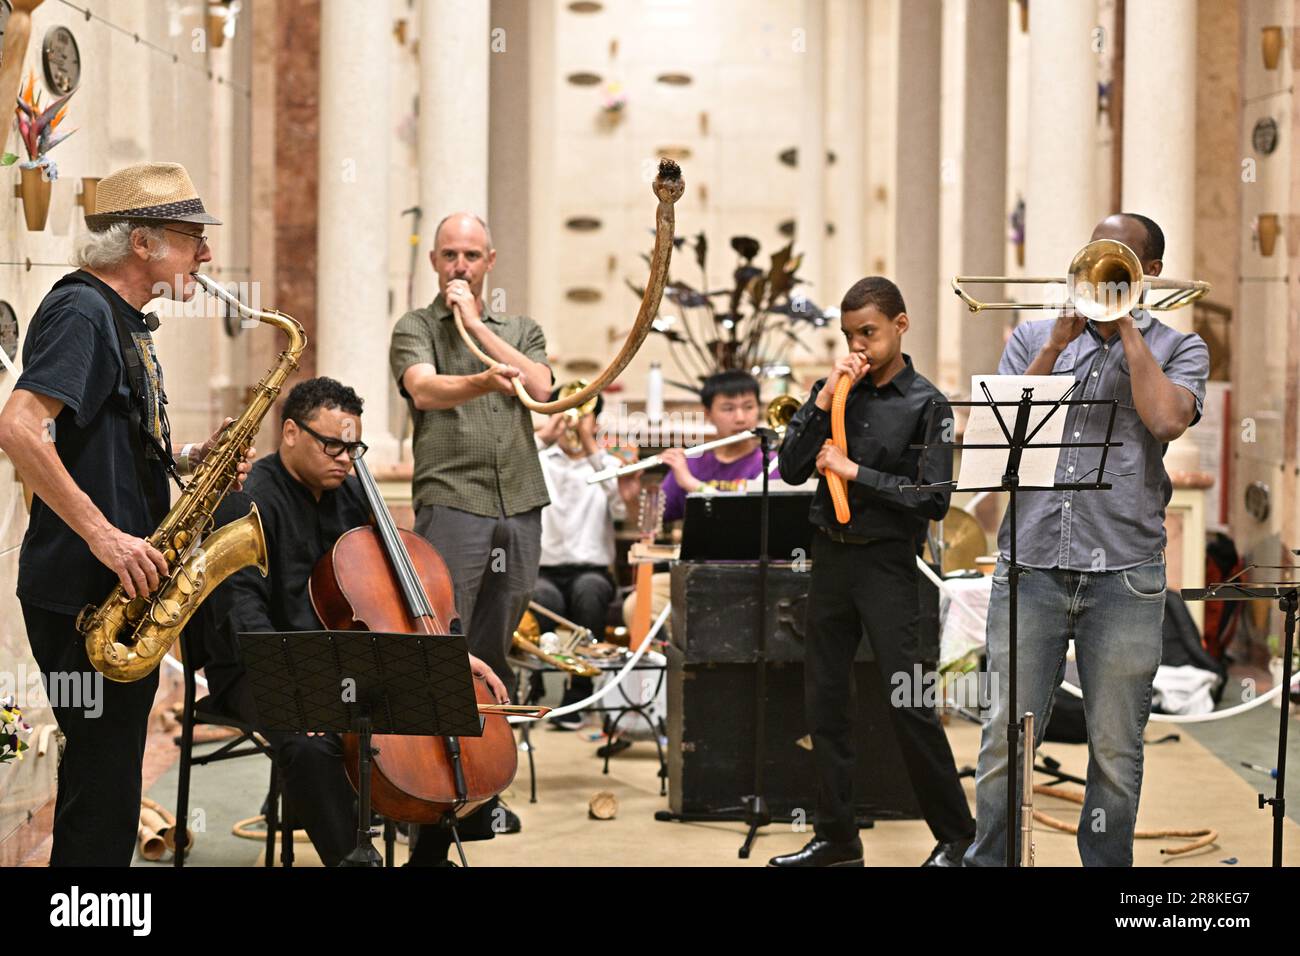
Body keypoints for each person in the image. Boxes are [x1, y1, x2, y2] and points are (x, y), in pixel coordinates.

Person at [0, 161, 253, 866]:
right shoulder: (82, 310)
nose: (205, 254)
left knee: (103, 782)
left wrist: (191, 459)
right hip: (83, 590)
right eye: (190, 237)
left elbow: (102, 445)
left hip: (111, 586)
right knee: (101, 789)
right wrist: (106, 536)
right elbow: (18, 426)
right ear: (141, 243)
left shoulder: (125, 321)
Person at [964, 213, 1210, 867]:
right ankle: (992, 862)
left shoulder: (1181, 349)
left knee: (1115, 745)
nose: (1106, 273)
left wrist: (1124, 323)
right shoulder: (1031, 337)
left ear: (1149, 272)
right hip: (1030, 566)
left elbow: (1163, 417)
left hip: (1124, 573)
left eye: (1123, 262)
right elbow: (999, 440)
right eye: (1098, 259)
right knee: (1003, 738)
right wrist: (1056, 345)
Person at [202, 377, 509, 866]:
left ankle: (429, 859)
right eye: (332, 446)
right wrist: (297, 680)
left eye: (353, 448)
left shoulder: (354, 501)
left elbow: (401, 601)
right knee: (311, 747)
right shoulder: (246, 501)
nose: (345, 459)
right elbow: (242, 614)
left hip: (353, 663)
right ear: (290, 433)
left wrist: (453, 658)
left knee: (448, 709)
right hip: (262, 667)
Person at [770, 276, 975, 868]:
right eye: (849, 335)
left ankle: (957, 837)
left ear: (901, 325)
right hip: (830, 557)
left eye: (870, 333)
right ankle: (838, 838)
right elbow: (789, 468)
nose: (858, 346)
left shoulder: (927, 404)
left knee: (908, 702)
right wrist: (821, 400)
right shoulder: (835, 390)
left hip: (887, 564)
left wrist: (857, 472)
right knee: (825, 702)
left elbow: (933, 498)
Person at [390, 212, 552, 831]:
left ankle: (484, 789)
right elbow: (424, 390)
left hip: (520, 501)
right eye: (449, 255)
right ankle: (427, 790)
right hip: (454, 498)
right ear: (434, 262)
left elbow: (540, 384)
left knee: (493, 652)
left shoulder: (521, 328)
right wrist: (484, 379)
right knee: (444, 647)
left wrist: (481, 329)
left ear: (490, 262)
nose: (460, 266)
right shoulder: (415, 327)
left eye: (472, 256)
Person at [621, 369, 780, 633]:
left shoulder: (770, 462)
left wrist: (691, 484)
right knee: (638, 605)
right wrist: (631, 499)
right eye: (728, 408)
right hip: (698, 573)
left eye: (748, 407)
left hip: (753, 576)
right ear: (708, 414)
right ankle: (682, 667)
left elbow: (750, 519)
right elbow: (653, 522)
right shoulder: (693, 461)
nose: (740, 417)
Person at [533, 388, 639, 729]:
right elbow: (509, 463)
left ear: (595, 420)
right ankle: (533, 687)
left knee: (589, 594)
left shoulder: (607, 465)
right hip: (544, 570)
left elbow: (622, 510)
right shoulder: (540, 460)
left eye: (582, 412)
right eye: (564, 411)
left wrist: (592, 447)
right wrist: (545, 435)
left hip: (591, 571)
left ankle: (579, 692)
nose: (572, 419)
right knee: (536, 598)